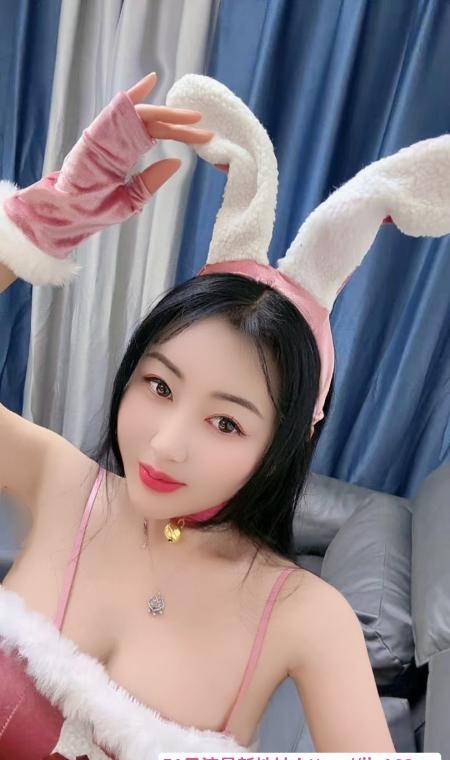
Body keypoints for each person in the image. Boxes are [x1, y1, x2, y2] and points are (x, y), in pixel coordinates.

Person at [0, 70, 418, 758]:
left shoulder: (304, 617)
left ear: (285, 443)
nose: (166, 445)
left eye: (226, 423)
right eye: (159, 386)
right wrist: (40, 223)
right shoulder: (59, 481)